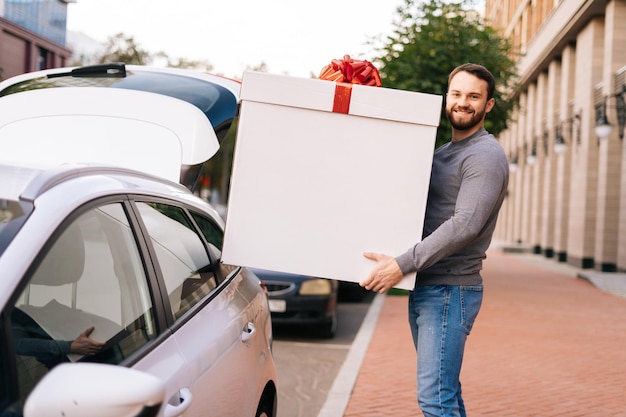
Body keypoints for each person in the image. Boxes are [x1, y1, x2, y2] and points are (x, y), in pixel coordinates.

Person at [360, 63, 509, 417]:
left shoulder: (485, 155)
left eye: (474, 96)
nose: (463, 102)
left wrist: (401, 264)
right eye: (456, 94)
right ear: (447, 97)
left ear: (488, 105)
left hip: (449, 291)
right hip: (430, 287)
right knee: (444, 393)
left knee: (435, 399)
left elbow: (465, 225)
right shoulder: (443, 152)